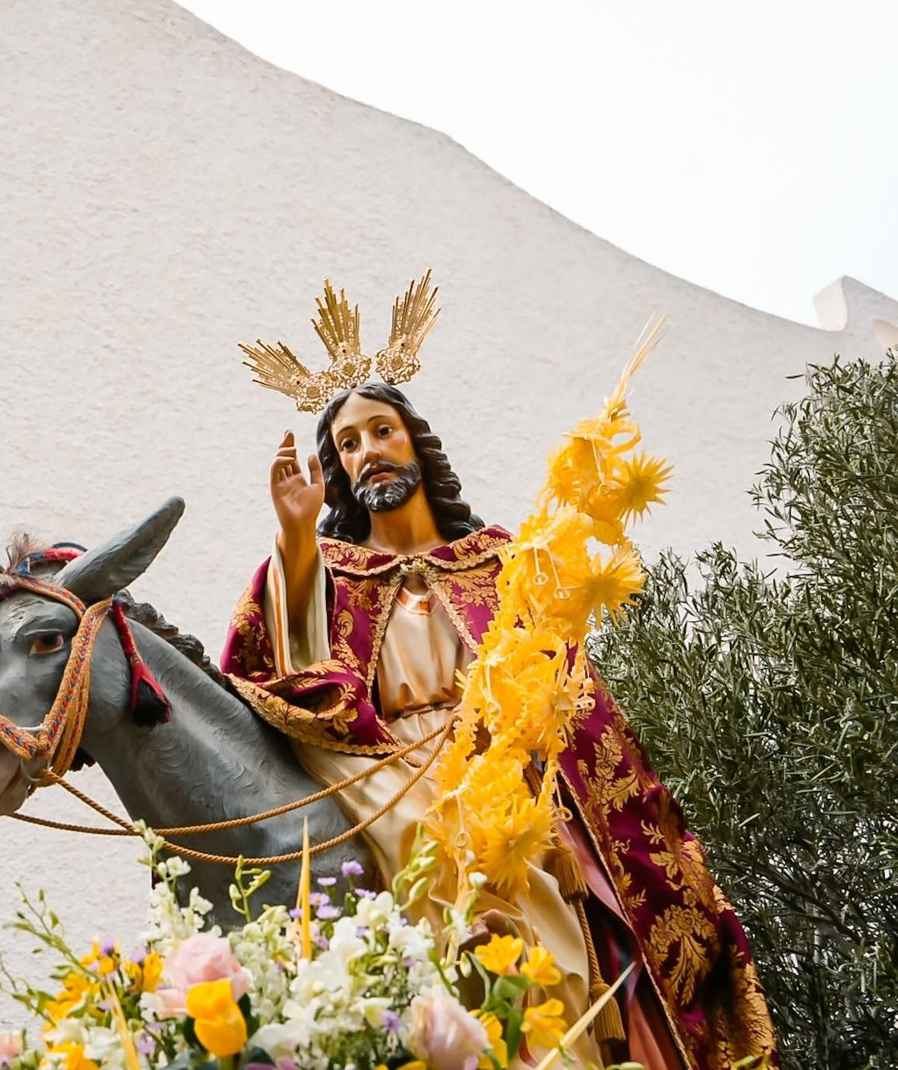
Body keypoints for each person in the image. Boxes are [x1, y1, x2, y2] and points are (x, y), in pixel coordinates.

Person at [218, 274, 775, 1068]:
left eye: (380, 430)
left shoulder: (500, 562)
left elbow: (570, 695)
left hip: (506, 771)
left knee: (546, 892)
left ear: (415, 440)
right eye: (348, 444)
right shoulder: (325, 570)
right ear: (336, 471)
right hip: (385, 775)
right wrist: (299, 538)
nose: (367, 452)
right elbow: (287, 679)